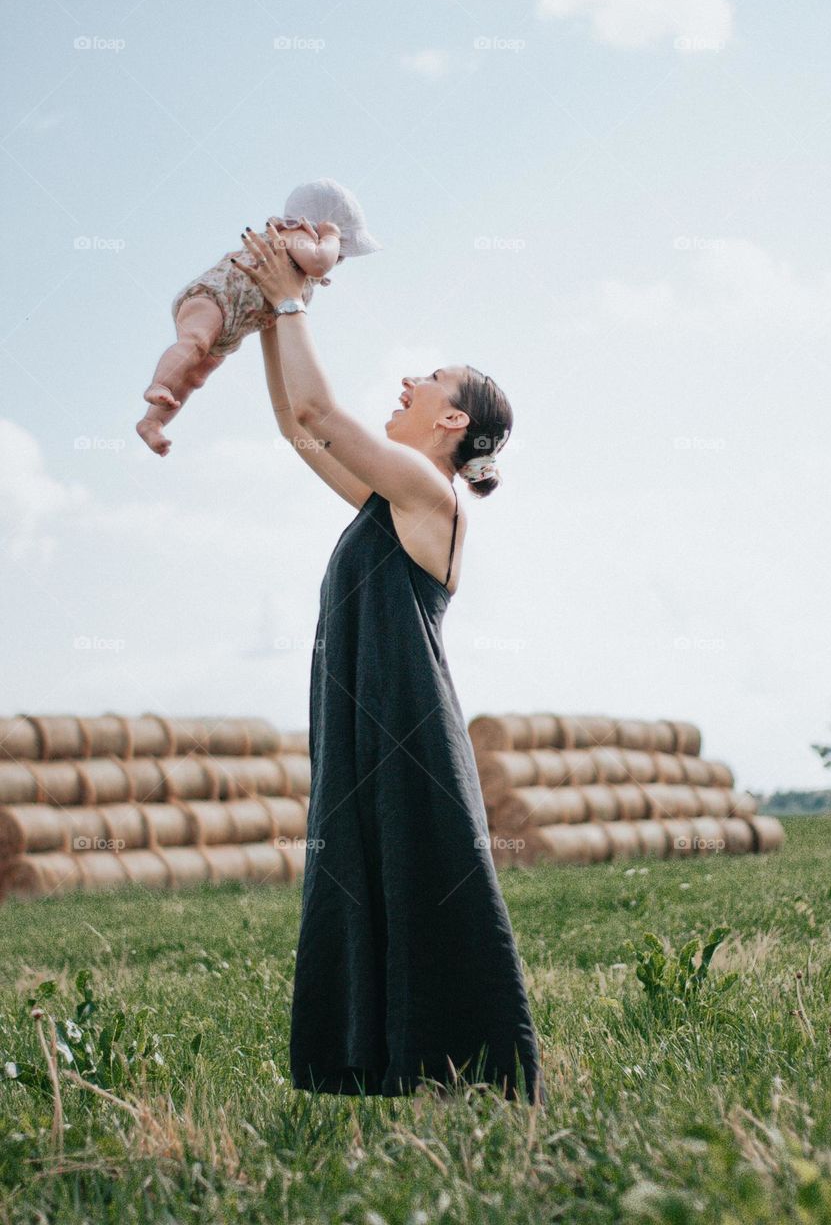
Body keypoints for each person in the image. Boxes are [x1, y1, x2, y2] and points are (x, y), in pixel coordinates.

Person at [234, 224, 547, 1108]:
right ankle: (375, 1068)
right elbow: (300, 433)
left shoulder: (429, 494)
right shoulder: (389, 493)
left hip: (405, 724)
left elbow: (318, 416)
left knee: (424, 877)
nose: (408, 381)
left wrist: (290, 298)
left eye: (430, 381)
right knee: (362, 876)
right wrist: (267, 317)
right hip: (362, 715)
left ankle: (471, 1076)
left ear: (451, 423)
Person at [136, 178, 381, 455]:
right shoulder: (292, 234)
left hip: (233, 325)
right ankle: (160, 383)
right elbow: (319, 264)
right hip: (213, 298)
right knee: (194, 343)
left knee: (195, 377)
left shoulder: (299, 265)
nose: (339, 259)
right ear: (320, 226)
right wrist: (332, 236)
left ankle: (152, 422)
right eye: (341, 249)